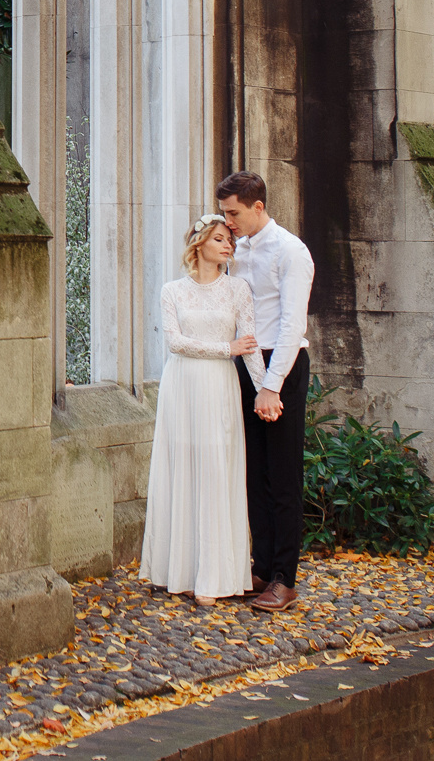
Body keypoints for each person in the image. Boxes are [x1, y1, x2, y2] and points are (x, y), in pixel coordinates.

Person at [138, 214, 263, 605]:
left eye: (231, 240)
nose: (229, 245)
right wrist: (226, 349)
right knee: (183, 470)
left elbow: (251, 345)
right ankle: (180, 571)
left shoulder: (238, 289)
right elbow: (175, 342)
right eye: (220, 239)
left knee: (216, 471)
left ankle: (215, 575)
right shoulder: (172, 291)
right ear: (199, 245)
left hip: (220, 388)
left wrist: (265, 390)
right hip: (182, 387)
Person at [218, 170, 314, 613]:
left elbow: (293, 325)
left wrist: (270, 387)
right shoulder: (235, 252)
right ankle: (260, 568)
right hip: (245, 364)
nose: (228, 221)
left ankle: (284, 579)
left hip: (283, 367)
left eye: (233, 213)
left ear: (258, 207)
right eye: (223, 212)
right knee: (254, 474)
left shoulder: (292, 252)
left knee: (282, 476)